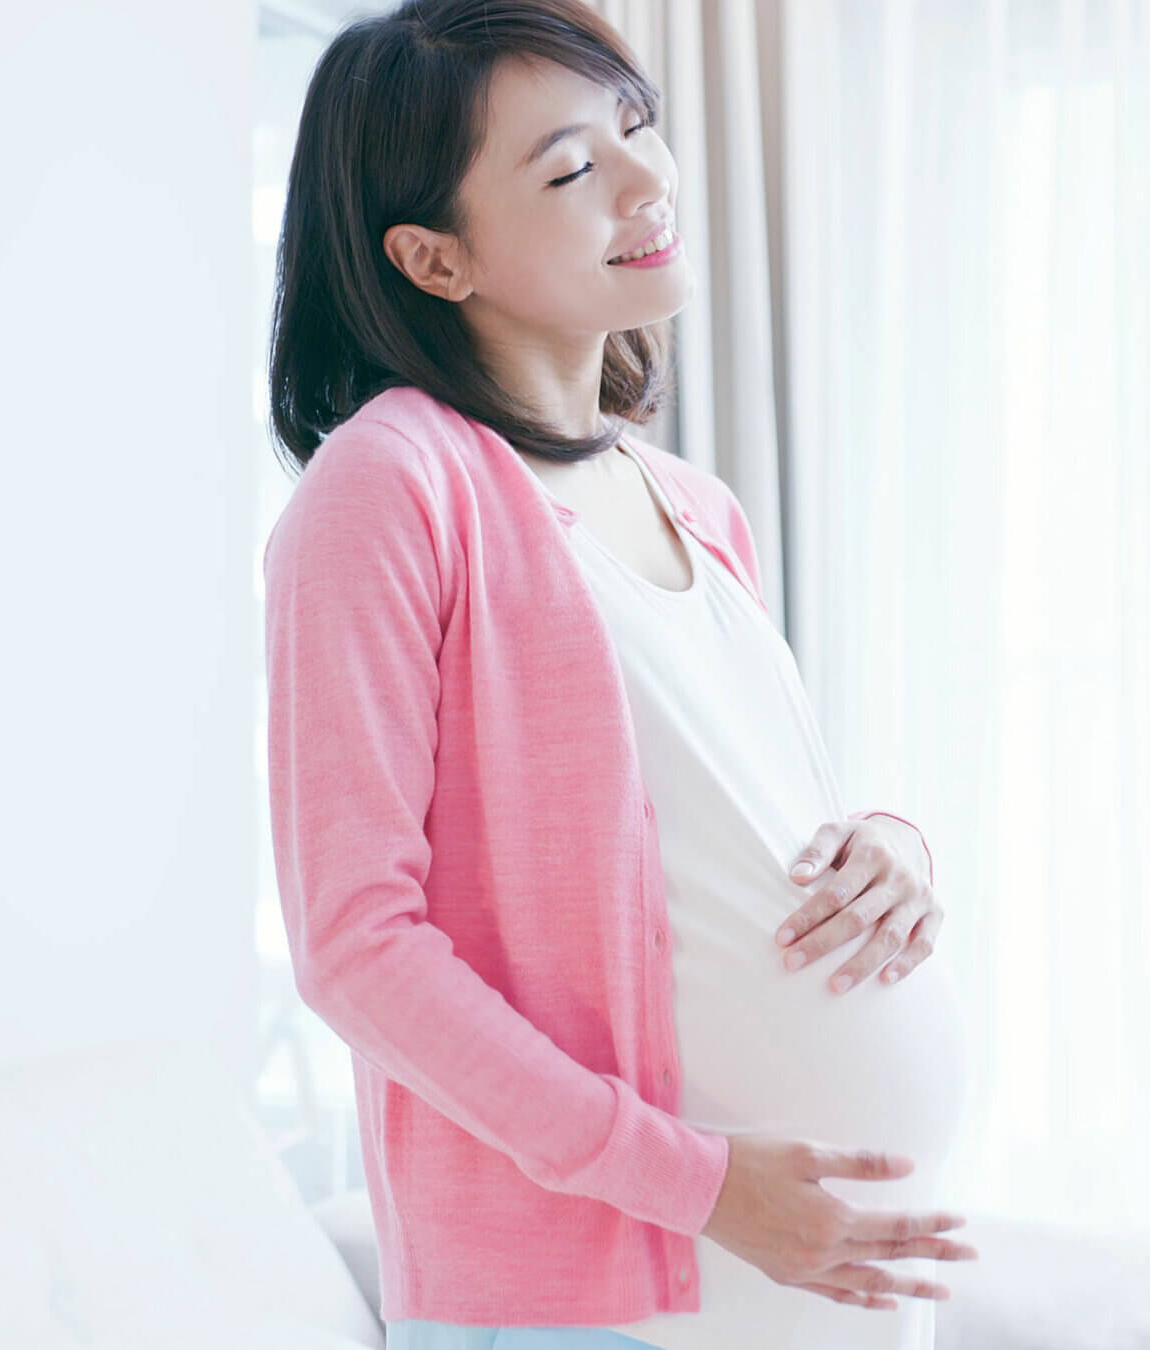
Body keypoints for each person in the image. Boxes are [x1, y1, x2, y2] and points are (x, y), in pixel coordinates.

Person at [263, 3, 976, 1347]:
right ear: (434, 254)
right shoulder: (390, 486)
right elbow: (355, 946)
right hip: (607, 1296)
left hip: (804, 1286)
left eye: (635, 127)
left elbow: (734, 818)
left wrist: (888, 848)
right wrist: (702, 1187)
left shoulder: (691, 500)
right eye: (569, 167)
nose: (649, 178)